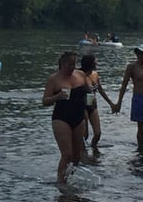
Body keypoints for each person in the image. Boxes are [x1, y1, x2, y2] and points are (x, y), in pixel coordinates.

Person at [43, 51, 88, 184]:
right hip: (61, 117)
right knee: (67, 154)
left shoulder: (80, 75)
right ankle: (61, 183)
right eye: (69, 64)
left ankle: (69, 177)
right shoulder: (54, 79)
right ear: (62, 64)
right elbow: (45, 101)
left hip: (79, 116)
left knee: (77, 155)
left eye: (74, 64)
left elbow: (89, 93)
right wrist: (57, 97)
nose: (72, 67)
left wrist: (90, 103)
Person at [113, 44, 143, 149]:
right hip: (139, 98)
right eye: (138, 53)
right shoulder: (132, 67)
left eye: (141, 53)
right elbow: (124, 85)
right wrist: (119, 102)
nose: (139, 56)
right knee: (141, 126)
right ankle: (140, 148)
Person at [79, 53, 114, 149]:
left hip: (92, 105)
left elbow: (100, 90)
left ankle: (93, 149)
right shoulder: (78, 75)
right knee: (84, 135)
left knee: (98, 133)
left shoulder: (95, 74)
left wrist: (111, 103)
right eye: (95, 62)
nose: (97, 63)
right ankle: (82, 153)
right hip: (81, 106)